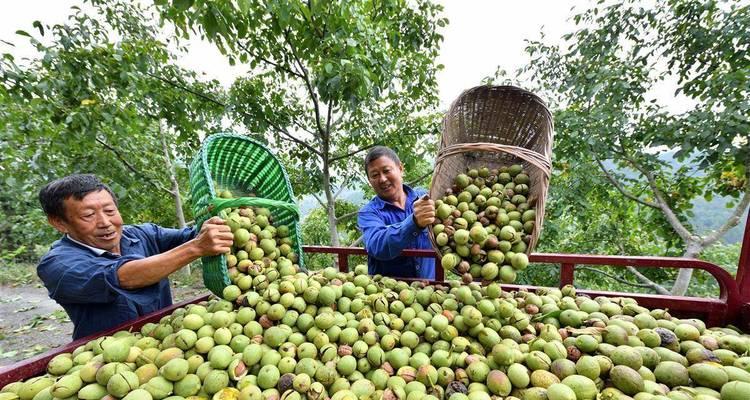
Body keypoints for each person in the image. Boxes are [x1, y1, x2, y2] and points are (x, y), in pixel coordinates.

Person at [37, 174, 233, 339]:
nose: (105, 222)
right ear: (59, 222)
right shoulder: (57, 265)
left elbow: (193, 236)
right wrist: (196, 248)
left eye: (110, 211)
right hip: (107, 359)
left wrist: (224, 220)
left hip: (166, 339)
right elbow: (123, 277)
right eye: (88, 215)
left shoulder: (141, 234)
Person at [358, 146, 436, 280]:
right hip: (391, 296)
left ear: (400, 169)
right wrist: (414, 223)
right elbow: (378, 245)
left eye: (386, 171)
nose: (382, 179)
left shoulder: (424, 198)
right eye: (375, 175)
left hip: (432, 292)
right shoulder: (368, 213)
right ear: (370, 181)